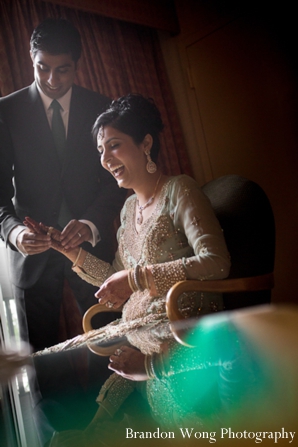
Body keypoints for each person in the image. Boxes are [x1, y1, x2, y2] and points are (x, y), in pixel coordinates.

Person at [30, 93, 231, 445]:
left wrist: (138, 278)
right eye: (100, 151)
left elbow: (217, 263)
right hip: (147, 356)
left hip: (184, 354)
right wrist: (71, 252)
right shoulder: (127, 211)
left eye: (114, 146)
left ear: (146, 143)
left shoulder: (179, 190)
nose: (105, 159)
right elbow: (115, 276)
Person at [0, 18, 125, 352]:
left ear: (77, 66)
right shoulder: (5, 112)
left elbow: (117, 180)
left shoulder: (102, 107)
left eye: (63, 70)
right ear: (31, 59)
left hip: (92, 249)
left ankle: (115, 405)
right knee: (42, 362)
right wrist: (14, 233)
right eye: (43, 68)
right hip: (32, 256)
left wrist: (90, 224)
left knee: (112, 343)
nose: (52, 80)